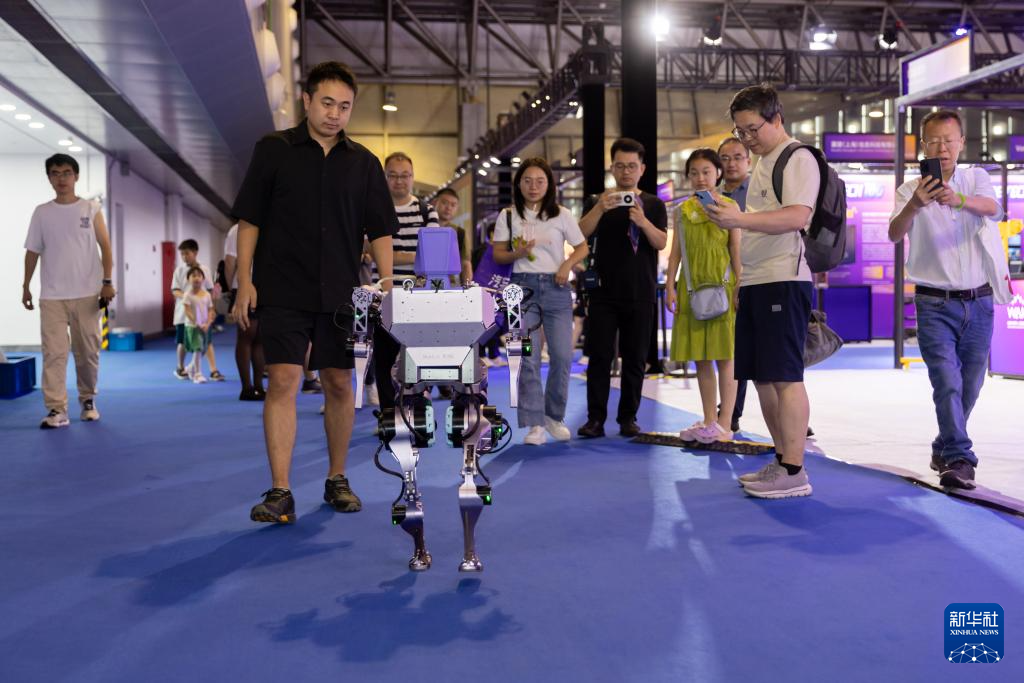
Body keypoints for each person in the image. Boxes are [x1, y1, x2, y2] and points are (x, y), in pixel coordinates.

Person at [232, 61, 398, 523]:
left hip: (341, 294)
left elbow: (381, 229)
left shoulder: (364, 163)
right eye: (327, 103)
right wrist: (245, 281)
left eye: (344, 106)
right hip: (282, 287)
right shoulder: (274, 150)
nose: (334, 114)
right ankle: (280, 490)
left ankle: (336, 478)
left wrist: (387, 283)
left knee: (339, 383)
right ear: (307, 100)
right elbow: (250, 219)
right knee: (284, 379)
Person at [704, 84, 818, 499]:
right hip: (757, 279)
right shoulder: (766, 162)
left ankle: (795, 469)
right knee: (764, 379)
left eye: (753, 129)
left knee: (785, 377)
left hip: (784, 278)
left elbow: (797, 217)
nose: (747, 138)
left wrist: (739, 219)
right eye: (740, 131)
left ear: (776, 119)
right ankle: (782, 459)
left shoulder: (797, 157)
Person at [888, 109, 1009, 490]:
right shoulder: (909, 190)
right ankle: (959, 458)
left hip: (980, 301)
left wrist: (958, 200)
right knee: (946, 380)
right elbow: (894, 233)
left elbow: (994, 210)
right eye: (934, 141)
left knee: (971, 384)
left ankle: (944, 445)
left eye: (948, 140)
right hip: (933, 303)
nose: (941, 148)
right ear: (923, 146)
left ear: (961, 143)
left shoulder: (976, 178)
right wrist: (914, 205)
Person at [576, 138, 668, 438]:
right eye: (620, 166)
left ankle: (628, 417)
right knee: (600, 358)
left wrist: (643, 221)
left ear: (642, 169)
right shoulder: (597, 201)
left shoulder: (653, 204)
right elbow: (579, 234)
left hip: (641, 291)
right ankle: (595, 419)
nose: (626, 171)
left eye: (631, 166)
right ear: (612, 168)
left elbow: (661, 242)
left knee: (635, 358)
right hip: (603, 292)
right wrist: (600, 208)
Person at [493, 157, 588, 445]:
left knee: (562, 355)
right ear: (518, 184)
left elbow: (582, 247)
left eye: (540, 181)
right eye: (527, 180)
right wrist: (517, 254)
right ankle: (534, 423)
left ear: (549, 185)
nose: (533, 186)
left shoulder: (562, 214)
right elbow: (498, 254)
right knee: (528, 357)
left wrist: (567, 265)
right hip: (521, 290)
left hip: (557, 288)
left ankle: (553, 416)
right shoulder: (508, 215)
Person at [22, 153, 115, 428]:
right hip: (52, 296)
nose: (61, 178)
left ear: (76, 176)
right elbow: (32, 251)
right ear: (49, 178)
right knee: (53, 353)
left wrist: (107, 282)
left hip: (87, 293)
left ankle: (88, 399)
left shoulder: (91, 208)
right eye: (55, 173)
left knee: (87, 353)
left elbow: (105, 247)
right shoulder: (42, 212)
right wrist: (26, 286)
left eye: (66, 173)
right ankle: (56, 409)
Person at [665, 149, 741, 444]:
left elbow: (736, 250)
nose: (700, 178)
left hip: (723, 284)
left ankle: (725, 423)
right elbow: (675, 253)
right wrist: (670, 286)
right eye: (694, 172)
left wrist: (740, 284)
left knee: (726, 356)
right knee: (701, 357)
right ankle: (709, 420)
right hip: (691, 287)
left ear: (718, 173)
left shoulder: (731, 207)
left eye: (706, 171)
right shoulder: (682, 211)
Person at [370, 151, 439, 412]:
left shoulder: (426, 211)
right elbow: (367, 249)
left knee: (420, 358)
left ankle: (418, 412)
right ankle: (389, 415)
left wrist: (389, 254)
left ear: (413, 177)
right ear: (384, 177)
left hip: (419, 298)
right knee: (384, 359)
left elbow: (433, 253)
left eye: (405, 175)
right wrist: (413, 255)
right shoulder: (374, 209)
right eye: (393, 175)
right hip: (383, 297)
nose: (399, 181)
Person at [717, 136, 752, 432]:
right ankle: (730, 414)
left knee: (771, 350)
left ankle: (789, 416)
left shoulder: (760, 192)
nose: (731, 164)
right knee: (732, 349)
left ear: (749, 161)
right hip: (722, 282)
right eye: (725, 158)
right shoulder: (711, 197)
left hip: (759, 274)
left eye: (737, 157)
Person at [171, 239, 224, 382]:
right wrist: (189, 297)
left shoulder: (204, 270)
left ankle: (213, 371)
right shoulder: (179, 270)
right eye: (182, 254)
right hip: (183, 315)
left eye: (187, 253)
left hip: (203, 314)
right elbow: (175, 290)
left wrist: (212, 308)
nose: (184, 257)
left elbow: (210, 291)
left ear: (195, 253)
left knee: (207, 342)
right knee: (182, 341)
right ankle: (180, 368)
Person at [224, 223, 265, 400]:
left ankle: (247, 387)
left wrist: (230, 289)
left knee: (246, 338)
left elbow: (230, 262)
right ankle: (258, 386)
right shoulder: (270, 224)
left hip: (243, 286)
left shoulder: (238, 229)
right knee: (259, 340)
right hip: (265, 287)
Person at [182, 266, 214, 383]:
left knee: (203, 350)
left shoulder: (207, 295)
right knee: (198, 348)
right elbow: (187, 311)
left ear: (203, 279)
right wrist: (196, 322)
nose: (196, 278)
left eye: (199, 276)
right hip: (193, 327)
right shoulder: (188, 295)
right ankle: (197, 374)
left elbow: (210, 310)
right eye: (193, 276)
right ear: (188, 279)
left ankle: (190, 368)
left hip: (205, 327)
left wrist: (208, 323)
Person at [435, 187, 473, 284]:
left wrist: (467, 287)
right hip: (423, 285)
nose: (448, 208)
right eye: (444, 203)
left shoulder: (460, 233)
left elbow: (466, 263)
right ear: (435, 203)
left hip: (451, 286)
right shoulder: (423, 229)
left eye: (453, 205)